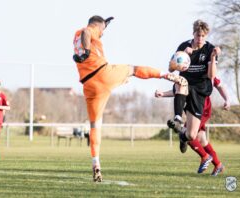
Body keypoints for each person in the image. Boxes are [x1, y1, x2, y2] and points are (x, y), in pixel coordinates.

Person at [72, 15, 188, 182]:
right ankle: (169, 76)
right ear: (98, 26)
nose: (103, 33)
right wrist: (87, 51)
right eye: (103, 30)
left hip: (89, 85)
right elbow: (87, 32)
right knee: (134, 69)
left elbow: (86, 34)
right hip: (103, 74)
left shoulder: (76, 35)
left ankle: (96, 163)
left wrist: (103, 27)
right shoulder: (87, 31)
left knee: (95, 125)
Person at [166, 19, 221, 174]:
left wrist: (212, 59)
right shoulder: (184, 46)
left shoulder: (210, 49)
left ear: (206, 35)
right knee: (180, 82)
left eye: (203, 36)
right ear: (193, 33)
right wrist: (181, 56)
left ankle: (187, 140)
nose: (200, 39)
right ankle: (177, 118)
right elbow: (170, 68)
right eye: (198, 35)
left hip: (200, 91)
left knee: (192, 135)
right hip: (186, 87)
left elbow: (211, 76)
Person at [155, 76, 229, 176]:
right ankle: (218, 165)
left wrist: (227, 100)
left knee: (189, 134)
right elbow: (177, 91)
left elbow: (219, 85)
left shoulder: (203, 71)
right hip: (193, 109)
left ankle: (204, 157)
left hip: (202, 109)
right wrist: (163, 94)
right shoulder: (184, 75)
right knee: (201, 140)